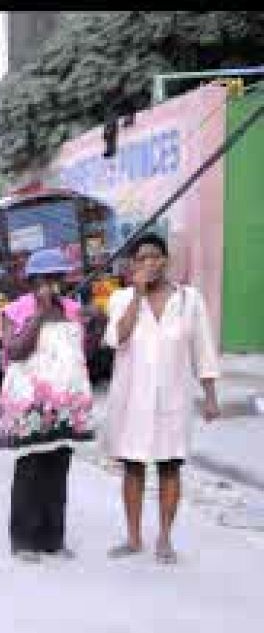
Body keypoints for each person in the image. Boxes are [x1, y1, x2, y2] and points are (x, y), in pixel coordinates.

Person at [102, 233, 223, 564]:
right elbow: (116, 338)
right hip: (132, 401)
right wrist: (137, 295)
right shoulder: (121, 299)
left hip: (173, 399)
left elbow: (203, 349)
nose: (149, 263)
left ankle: (165, 538)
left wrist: (210, 396)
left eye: (155, 256)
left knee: (170, 466)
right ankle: (133, 537)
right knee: (133, 466)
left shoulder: (188, 300)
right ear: (132, 265)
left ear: (166, 260)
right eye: (141, 258)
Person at [0, 248, 96, 562]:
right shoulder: (14, 312)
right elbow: (15, 350)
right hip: (30, 405)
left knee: (58, 468)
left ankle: (53, 539)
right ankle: (23, 540)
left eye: (56, 278)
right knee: (31, 469)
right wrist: (38, 316)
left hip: (66, 402)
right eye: (43, 279)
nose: (51, 285)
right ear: (31, 282)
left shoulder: (73, 310)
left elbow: (84, 352)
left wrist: (94, 325)